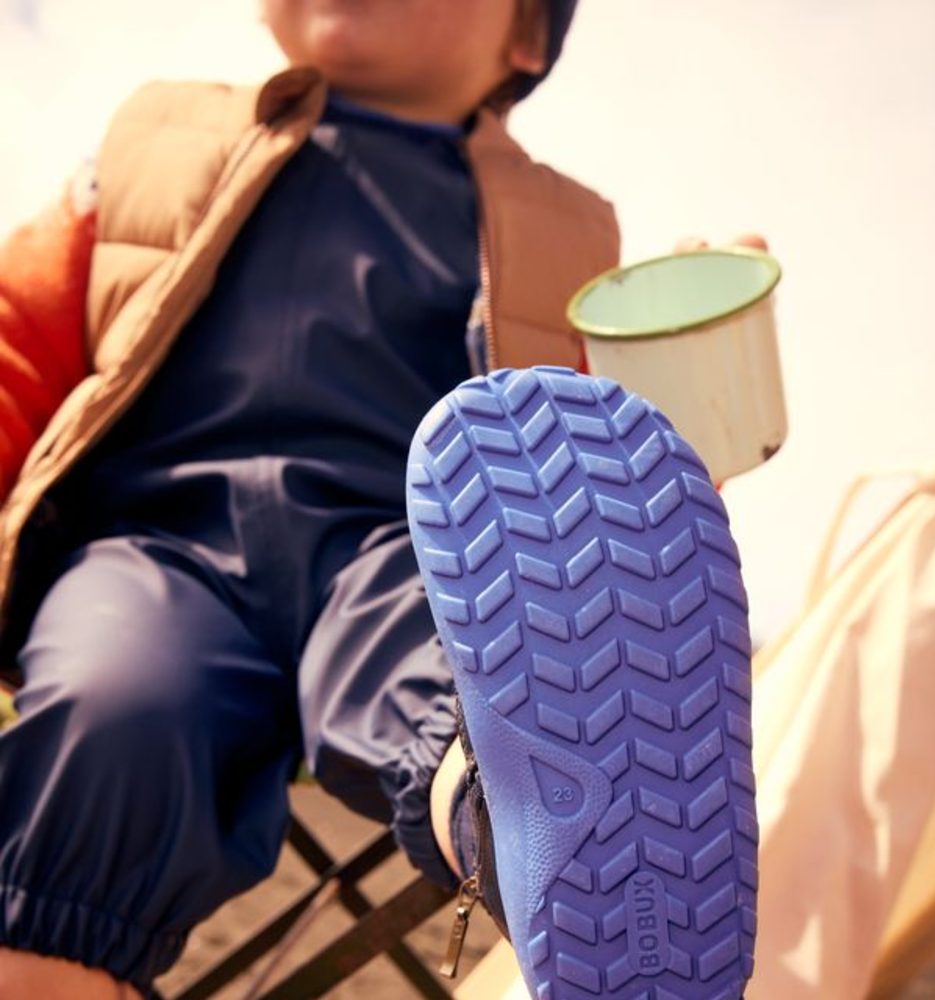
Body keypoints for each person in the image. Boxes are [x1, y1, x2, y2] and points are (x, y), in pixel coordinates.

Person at [0, 2, 765, 996]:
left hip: (402, 550)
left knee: (469, 678)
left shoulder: (565, 228)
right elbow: (19, 338)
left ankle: (550, 838)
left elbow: (581, 466)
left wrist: (681, 376)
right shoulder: (160, 134)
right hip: (157, 541)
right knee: (117, 699)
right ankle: (41, 966)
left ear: (525, 38)